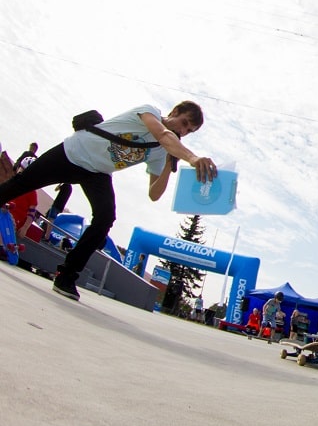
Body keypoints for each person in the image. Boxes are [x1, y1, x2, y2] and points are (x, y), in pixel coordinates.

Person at [0, 102, 217, 301]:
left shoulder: (162, 152)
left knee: (105, 218)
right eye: (184, 124)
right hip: (74, 152)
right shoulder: (149, 111)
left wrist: (170, 165)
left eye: (189, 131)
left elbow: (154, 194)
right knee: (21, 184)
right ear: (174, 112)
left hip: (97, 172)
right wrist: (193, 158)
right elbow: (162, 134)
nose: (183, 132)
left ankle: (66, 275)